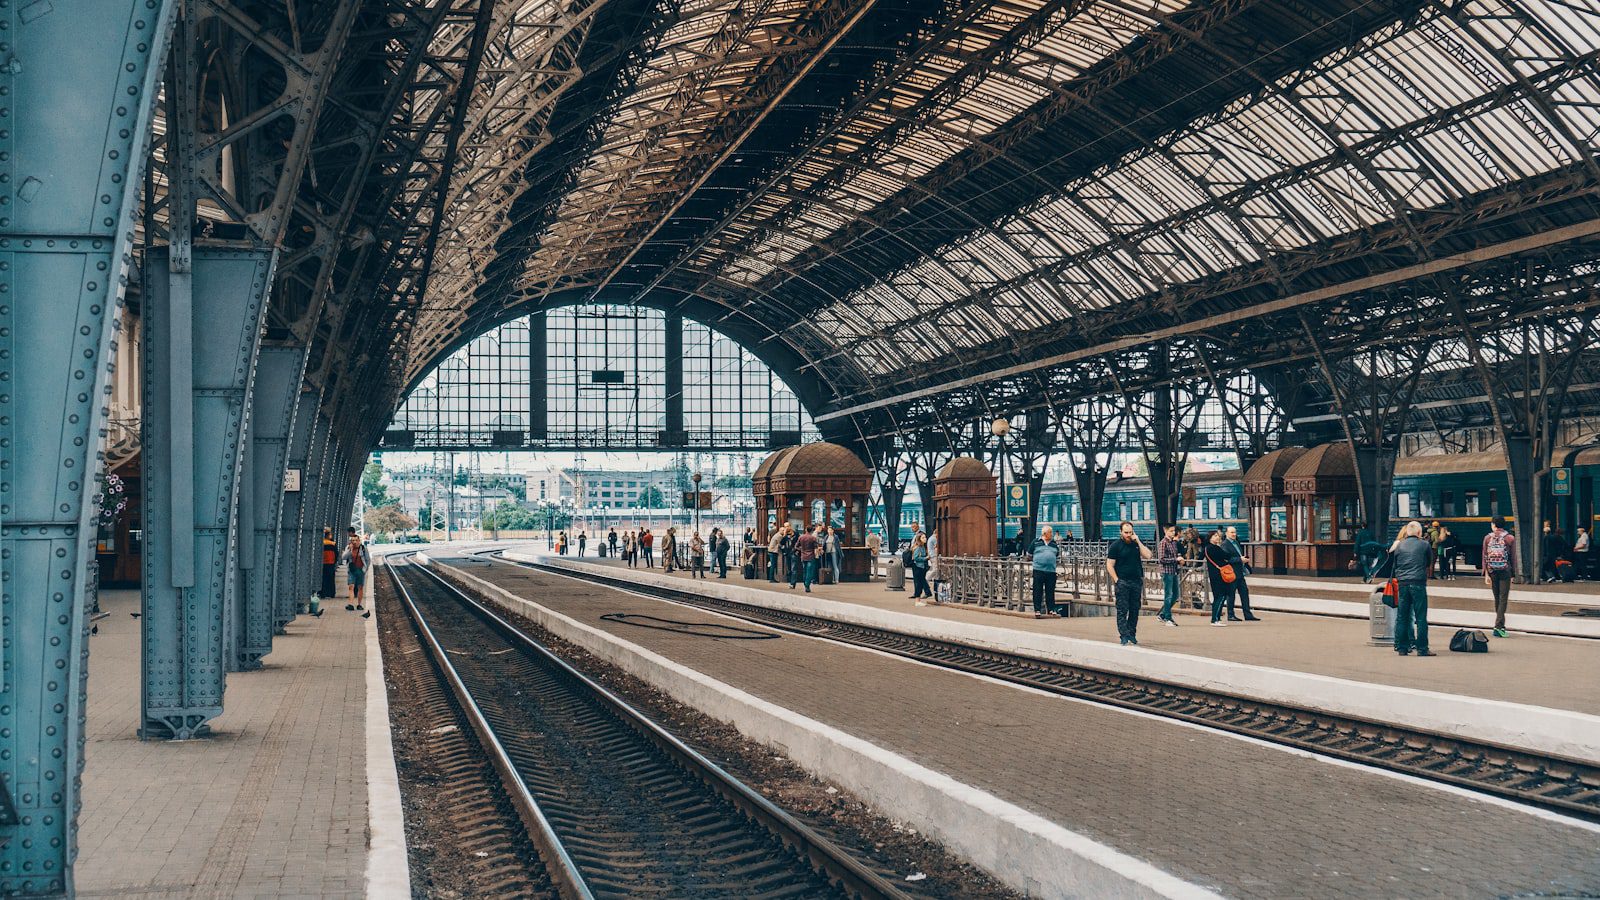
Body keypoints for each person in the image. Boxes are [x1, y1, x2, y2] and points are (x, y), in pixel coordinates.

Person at [1389, 520, 1435, 656]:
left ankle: (1402, 647)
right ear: (1419, 533)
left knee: (1402, 616)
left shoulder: (1399, 546)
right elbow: (1429, 562)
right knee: (1420, 617)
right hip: (1418, 582)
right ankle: (1422, 648)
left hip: (1403, 583)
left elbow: (1396, 563)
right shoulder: (1424, 545)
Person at [1106, 521, 1150, 645]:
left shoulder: (1136, 545)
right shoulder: (1115, 546)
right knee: (1122, 609)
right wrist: (1116, 580)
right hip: (1123, 581)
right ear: (1121, 532)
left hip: (1136, 581)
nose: (1128, 535)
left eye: (1130, 532)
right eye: (1126, 532)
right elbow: (1109, 564)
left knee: (1135, 609)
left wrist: (1138, 541)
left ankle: (1132, 634)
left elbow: (1148, 555)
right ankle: (1123, 635)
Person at [1482, 516, 1517, 638]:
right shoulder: (1510, 538)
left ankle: (1500, 625)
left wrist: (1486, 574)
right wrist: (1513, 574)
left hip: (1492, 570)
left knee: (1497, 598)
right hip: (1505, 571)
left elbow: (1485, 556)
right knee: (1503, 598)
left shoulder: (1487, 538)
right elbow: (1513, 558)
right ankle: (1498, 626)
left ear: (1494, 525)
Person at [1223, 525, 1259, 621]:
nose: (1234, 534)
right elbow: (1226, 559)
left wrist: (1242, 559)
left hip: (1239, 572)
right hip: (1232, 573)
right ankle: (1230, 615)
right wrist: (1240, 559)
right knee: (1231, 594)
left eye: (1235, 532)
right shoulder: (1225, 544)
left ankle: (1248, 614)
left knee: (1244, 593)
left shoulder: (1236, 542)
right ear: (1226, 533)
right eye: (1232, 532)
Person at [1030, 526, 1064, 617]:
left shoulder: (1053, 543)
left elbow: (1056, 554)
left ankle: (1051, 609)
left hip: (1051, 571)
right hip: (1038, 570)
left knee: (1050, 591)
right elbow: (1029, 553)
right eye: (1050, 532)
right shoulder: (1035, 542)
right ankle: (1037, 609)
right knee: (1037, 591)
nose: (1052, 534)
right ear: (1045, 533)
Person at [1202, 529, 1234, 626]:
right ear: (1210, 538)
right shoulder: (1214, 548)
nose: (1217, 537)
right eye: (1215, 536)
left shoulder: (1207, 548)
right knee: (1220, 596)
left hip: (1214, 574)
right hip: (1219, 575)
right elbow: (1226, 556)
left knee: (1218, 596)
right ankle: (1215, 619)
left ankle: (1216, 618)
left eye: (1217, 536)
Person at [1156, 524, 1182, 626]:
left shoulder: (1173, 543)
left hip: (1173, 571)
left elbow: (1175, 555)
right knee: (1168, 595)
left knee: (1175, 595)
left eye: (1173, 531)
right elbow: (1161, 559)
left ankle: (1163, 614)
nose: (1173, 533)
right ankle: (1167, 618)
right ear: (1165, 531)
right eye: (1171, 531)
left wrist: (1178, 560)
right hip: (1166, 572)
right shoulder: (1163, 543)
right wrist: (1175, 559)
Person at [342, 531, 371, 618]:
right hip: (352, 570)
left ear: (359, 541)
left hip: (360, 570)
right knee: (351, 586)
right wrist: (350, 550)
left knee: (360, 587)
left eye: (356, 540)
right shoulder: (349, 548)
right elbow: (343, 557)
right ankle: (350, 604)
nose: (354, 542)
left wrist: (364, 570)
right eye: (352, 540)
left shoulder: (363, 548)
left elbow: (367, 560)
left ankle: (359, 604)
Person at [795, 525, 821, 592]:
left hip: (803, 556)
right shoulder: (813, 538)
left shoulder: (801, 537)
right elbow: (816, 547)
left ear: (806, 529)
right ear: (812, 530)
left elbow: (796, 546)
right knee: (809, 572)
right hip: (811, 556)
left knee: (805, 570)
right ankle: (807, 585)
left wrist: (801, 549)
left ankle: (805, 583)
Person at [908, 532, 931, 603]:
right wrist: (925, 558)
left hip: (921, 567)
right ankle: (917, 600)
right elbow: (916, 558)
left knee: (920, 583)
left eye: (925, 537)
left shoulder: (923, 547)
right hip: (918, 566)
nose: (925, 539)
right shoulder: (918, 548)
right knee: (919, 583)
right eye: (923, 538)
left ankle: (920, 598)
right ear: (919, 539)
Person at [320, 527, 338, 599]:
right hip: (331, 563)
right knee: (331, 579)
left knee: (323, 579)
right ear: (328, 535)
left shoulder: (321, 543)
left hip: (323, 563)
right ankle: (331, 593)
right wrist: (334, 562)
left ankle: (323, 593)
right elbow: (336, 554)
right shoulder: (333, 543)